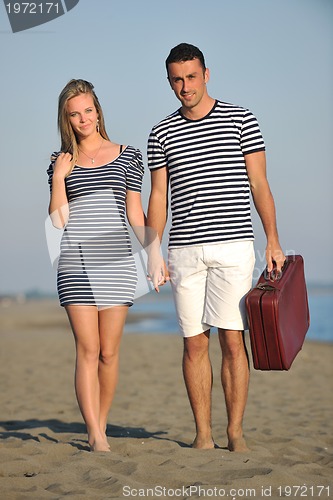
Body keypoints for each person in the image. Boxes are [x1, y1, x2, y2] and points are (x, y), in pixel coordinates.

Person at [147, 43, 285, 452]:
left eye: (191, 77)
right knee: (193, 342)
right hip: (184, 250)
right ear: (169, 81)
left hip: (234, 246)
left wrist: (273, 239)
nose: (185, 86)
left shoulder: (242, 119)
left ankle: (235, 433)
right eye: (177, 79)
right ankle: (203, 435)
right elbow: (158, 195)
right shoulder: (161, 131)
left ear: (206, 74)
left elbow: (259, 183)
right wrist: (153, 250)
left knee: (231, 340)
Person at [47, 79, 147, 452]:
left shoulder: (129, 154)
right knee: (87, 350)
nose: (83, 119)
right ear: (66, 119)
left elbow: (135, 212)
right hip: (75, 264)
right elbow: (58, 221)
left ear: (98, 110)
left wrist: (153, 252)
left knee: (109, 352)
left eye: (88, 110)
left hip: (117, 264)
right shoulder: (61, 162)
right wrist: (59, 176)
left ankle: (100, 422)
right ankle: (95, 433)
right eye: (75, 114)